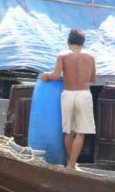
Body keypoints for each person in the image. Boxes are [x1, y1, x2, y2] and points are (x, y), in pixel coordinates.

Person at [41, 28, 96, 169]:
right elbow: (93, 79)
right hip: (84, 94)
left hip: (68, 94)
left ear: (68, 42)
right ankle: (72, 164)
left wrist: (46, 75)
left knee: (68, 132)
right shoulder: (90, 57)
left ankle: (71, 163)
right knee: (80, 133)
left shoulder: (62, 56)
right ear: (83, 43)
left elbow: (54, 76)